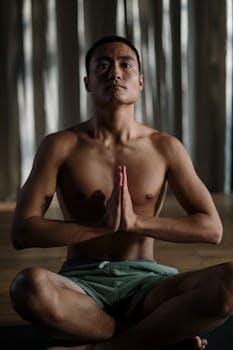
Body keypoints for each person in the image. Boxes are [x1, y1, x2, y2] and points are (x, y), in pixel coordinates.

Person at [9, 35, 233, 350]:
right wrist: (98, 227)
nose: (114, 72)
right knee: (26, 288)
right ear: (87, 82)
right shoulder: (60, 145)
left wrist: (136, 223)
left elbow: (211, 229)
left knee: (229, 284)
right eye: (103, 66)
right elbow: (22, 230)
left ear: (140, 82)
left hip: (149, 284)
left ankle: (105, 346)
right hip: (81, 286)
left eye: (124, 65)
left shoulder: (165, 147)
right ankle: (152, 337)